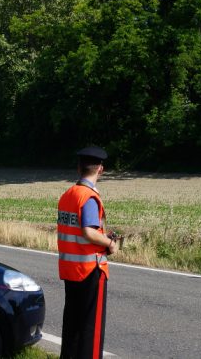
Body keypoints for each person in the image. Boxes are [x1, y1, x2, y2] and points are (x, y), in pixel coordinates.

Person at [57, 146, 118, 359]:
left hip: (70, 269)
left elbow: (75, 231)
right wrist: (110, 243)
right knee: (91, 328)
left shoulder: (68, 195)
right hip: (91, 269)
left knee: (72, 324)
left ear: (78, 168)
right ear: (100, 169)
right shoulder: (89, 197)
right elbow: (88, 233)